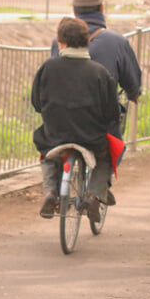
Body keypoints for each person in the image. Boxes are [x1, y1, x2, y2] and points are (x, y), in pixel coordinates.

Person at [51, 0, 142, 203]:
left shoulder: (58, 42)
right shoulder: (117, 42)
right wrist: (133, 93)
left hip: (63, 118)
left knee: (52, 147)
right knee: (110, 148)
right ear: (102, 9)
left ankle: (53, 191)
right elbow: (131, 79)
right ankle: (95, 193)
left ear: (74, 13)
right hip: (98, 120)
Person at [32, 17, 120, 221]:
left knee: (48, 154)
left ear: (60, 42)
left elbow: (37, 103)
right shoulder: (100, 73)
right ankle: (93, 196)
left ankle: (51, 193)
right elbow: (111, 113)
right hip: (90, 136)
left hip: (55, 135)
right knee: (103, 158)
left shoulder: (48, 68)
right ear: (87, 41)